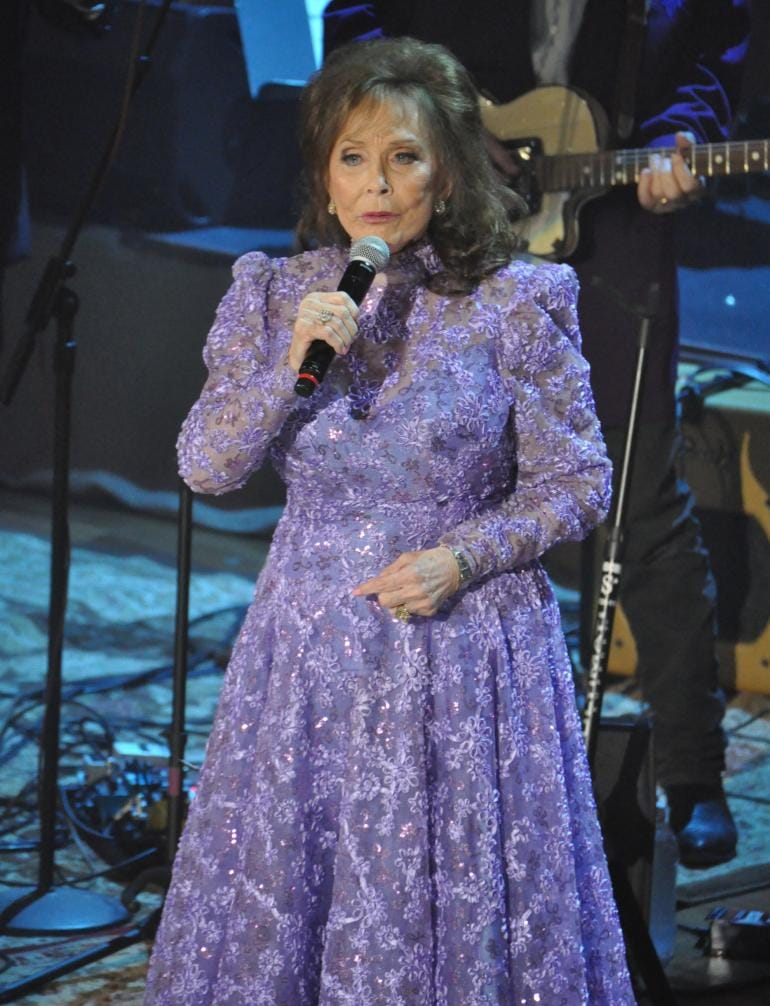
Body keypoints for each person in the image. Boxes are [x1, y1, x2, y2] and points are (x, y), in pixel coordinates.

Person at [143, 36, 635, 1005]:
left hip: (462, 653)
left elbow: (577, 480)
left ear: (445, 173)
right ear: (324, 178)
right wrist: (291, 365)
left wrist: (461, 554)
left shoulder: (516, 300)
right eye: (353, 157)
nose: (377, 183)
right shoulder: (276, 295)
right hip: (310, 654)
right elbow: (206, 465)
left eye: (403, 157)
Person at [323, 0, 751, 868]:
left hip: (615, 218)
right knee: (433, 495)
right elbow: (354, 19)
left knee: (637, 493)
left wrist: (681, 131)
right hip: (445, 225)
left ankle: (690, 771)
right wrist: (437, 124)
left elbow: (715, 43)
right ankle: (407, 760)